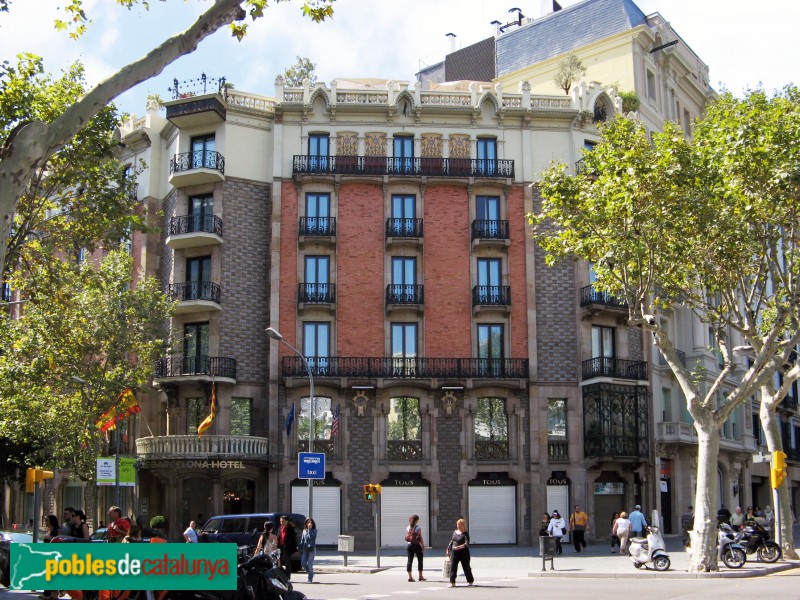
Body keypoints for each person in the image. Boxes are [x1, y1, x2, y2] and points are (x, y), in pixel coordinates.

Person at [446, 518, 474, 587]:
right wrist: (448, 548)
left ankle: (470, 581)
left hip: (464, 553)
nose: (458, 526)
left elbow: (467, 543)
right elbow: (452, 541)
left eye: (460, 524)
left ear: (463, 525)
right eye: (457, 524)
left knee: (466, 567)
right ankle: (452, 582)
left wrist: (460, 547)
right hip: (454, 552)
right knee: (453, 567)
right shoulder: (455, 532)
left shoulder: (465, 533)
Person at [40, 515, 61, 599]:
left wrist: (50, 537)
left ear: (51, 521)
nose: (45, 522)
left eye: (47, 520)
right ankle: (47, 593)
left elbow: (59, 540)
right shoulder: (48, 530)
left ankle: (54, 593)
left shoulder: (57, 530)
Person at [405, 514, 426, 582]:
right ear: (417, 520)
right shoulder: (418, 527)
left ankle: (410, 577)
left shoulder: (408, 527)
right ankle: (420, 576)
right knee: (420, 560)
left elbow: (408, 536)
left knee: (409, 561)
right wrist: (422, 545)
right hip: (416, 545)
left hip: (409, 545)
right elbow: (420, 537)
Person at [277, 515, 297, 580]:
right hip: (280, 547)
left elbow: (293, 539)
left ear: (287, 521)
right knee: (277, 562)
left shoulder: (290, 529)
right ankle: (284, 575)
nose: (281, 522)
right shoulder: (280, 529)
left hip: (287, 548)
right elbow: (278, 537)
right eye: (280, 521)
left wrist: (293, 548)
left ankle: (287, 577)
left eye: (283, 521)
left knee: (287, 563)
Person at [300, 518, 317, 583]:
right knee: (303, 563)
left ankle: (310, 579)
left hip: (312, 549)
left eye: (310, 522)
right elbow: (302, 540)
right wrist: (300, 547)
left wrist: (310, 529)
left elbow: (311, 538)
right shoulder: (304, 530)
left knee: (310, 564)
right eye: (308, 522)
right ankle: (311, 573)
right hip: (305, 549)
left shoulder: (314, 530)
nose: (309, 524)